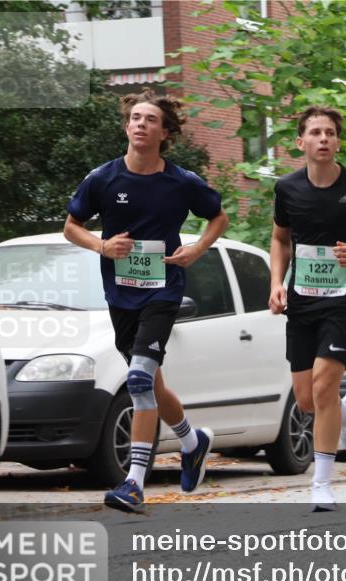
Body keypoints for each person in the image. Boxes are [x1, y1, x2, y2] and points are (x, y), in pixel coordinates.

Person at [63, 89, 229, 512]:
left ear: (164, 132)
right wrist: (102, 247)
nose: (140, 124)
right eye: (134, 117)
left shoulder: (181, 182)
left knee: (138, 380)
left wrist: (196, 249)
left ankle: (134, 483)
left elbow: (218, 217)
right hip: (120, 295)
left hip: (163, 290)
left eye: (150, 119)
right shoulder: (103, 178)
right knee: (151, 383)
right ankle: (193, 442)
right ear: (126, 127)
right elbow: (71, 227)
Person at [269, 105, 346, 511]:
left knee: (324, 384)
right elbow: (280, 239)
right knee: (308, 400)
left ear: (337, 141)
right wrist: (275, 283)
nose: (324, 139)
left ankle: (321, 482)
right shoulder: (287, 188)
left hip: (343, 302)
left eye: (330, 133)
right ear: (300, 142)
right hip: (302, 301)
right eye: (316, 132)